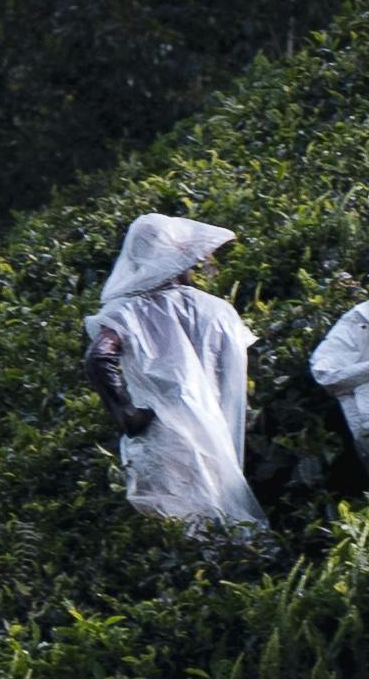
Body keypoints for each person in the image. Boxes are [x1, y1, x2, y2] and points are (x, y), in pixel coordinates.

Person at [82, 213, 264, 534]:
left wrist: (128, 415)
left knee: (181, 532)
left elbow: (99, 356)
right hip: (216, 432)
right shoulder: (217, 309)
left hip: (164, 438)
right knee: (227, 526)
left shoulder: (129, 311)